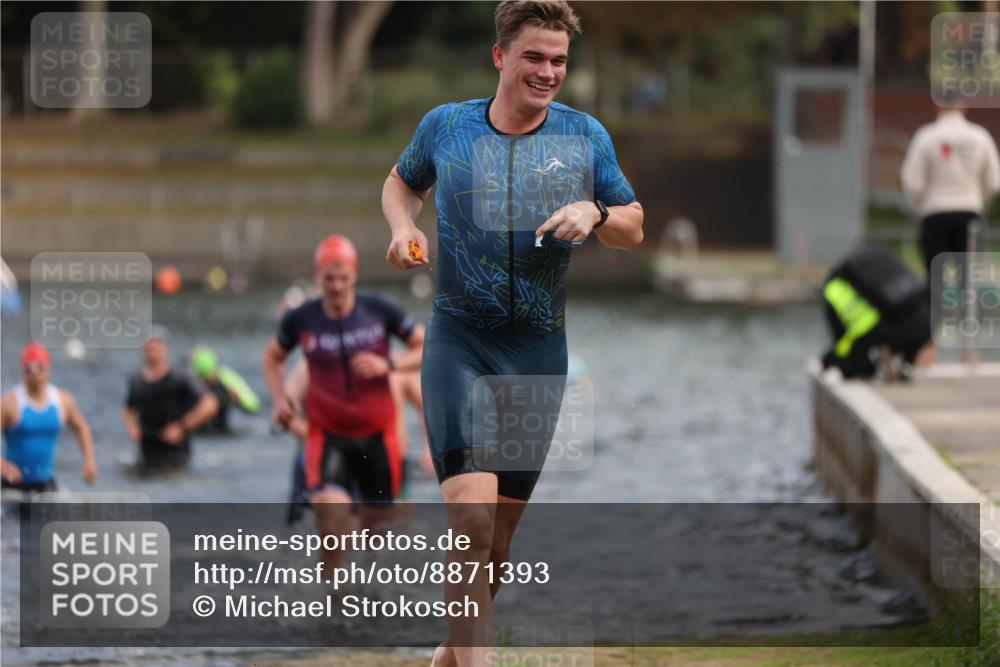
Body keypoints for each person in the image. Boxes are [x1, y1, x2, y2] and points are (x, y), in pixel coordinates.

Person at [380, 2, 643, 664]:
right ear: (500, 56)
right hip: (459, 343)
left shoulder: (585, 138)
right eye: (534, 57)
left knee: (495, 544)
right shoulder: (448, 126)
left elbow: (633, 225)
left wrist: (597, 209)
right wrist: (403, 227)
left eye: (558, 60)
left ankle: (452, 652)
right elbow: (400, 183)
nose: (548, 71)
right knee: (469, 523)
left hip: (537, 356)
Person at [262, 234, 425, 572]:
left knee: (377, 535)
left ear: (355, 275)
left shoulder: (379, 311)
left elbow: (428, 346)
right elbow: (273, 358)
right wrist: (280, 400)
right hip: (329, 437)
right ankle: (334, 605)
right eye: (328, 279)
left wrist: (390, 364)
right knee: (331, 528)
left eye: (343, 278)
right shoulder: (302, 320)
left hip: (379, 438)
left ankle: (369, 600)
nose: (336, 286)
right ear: (317, 277)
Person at [901, 100, 1000, 279]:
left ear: (937, 106)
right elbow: (993, 181)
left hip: (935, 214)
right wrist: (977, 200)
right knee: (968, 279)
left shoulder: (926, 136)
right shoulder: (980, 136)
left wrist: (921, 204)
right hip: (970, 214)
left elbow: (912, 182)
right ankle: (966, 308)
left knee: (935, 280)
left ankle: (935, 307)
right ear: (964, 105)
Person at [821, 246, 937, 380]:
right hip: (908, 320)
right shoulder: (923, 308)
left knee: (855, 366)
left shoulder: (837, 284)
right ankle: (889, 361)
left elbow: (861, 331)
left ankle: (876, 361)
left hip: (883, 323)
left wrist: (832, 359)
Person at [2, 342, 98, 493]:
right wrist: (3, 466)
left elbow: (82, 427)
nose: (35, 374)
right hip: (11, 486)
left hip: (45, 485)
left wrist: (89, 461)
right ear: (22, 370)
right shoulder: (9, 403)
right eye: (29, 369)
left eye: (40, 367)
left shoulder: (63, 401)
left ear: (48, 368)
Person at [122, 328, 219, 471]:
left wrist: (182, 427)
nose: (152, 348)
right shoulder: (136, 380)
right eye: (149, 345)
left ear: (165, 348)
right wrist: (132, 428)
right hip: (147, 450)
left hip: (176, 452)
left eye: (157, 344)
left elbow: (210, 404)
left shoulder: (180, 378)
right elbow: (128, 409)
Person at [189, 345, 262, 434]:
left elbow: (254, 405)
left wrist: (239, 400)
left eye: (208, 378)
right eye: (202, 378)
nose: (205, 383)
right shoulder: (191, 382)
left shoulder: (228, 378)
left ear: (214, 370)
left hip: (221, 430)